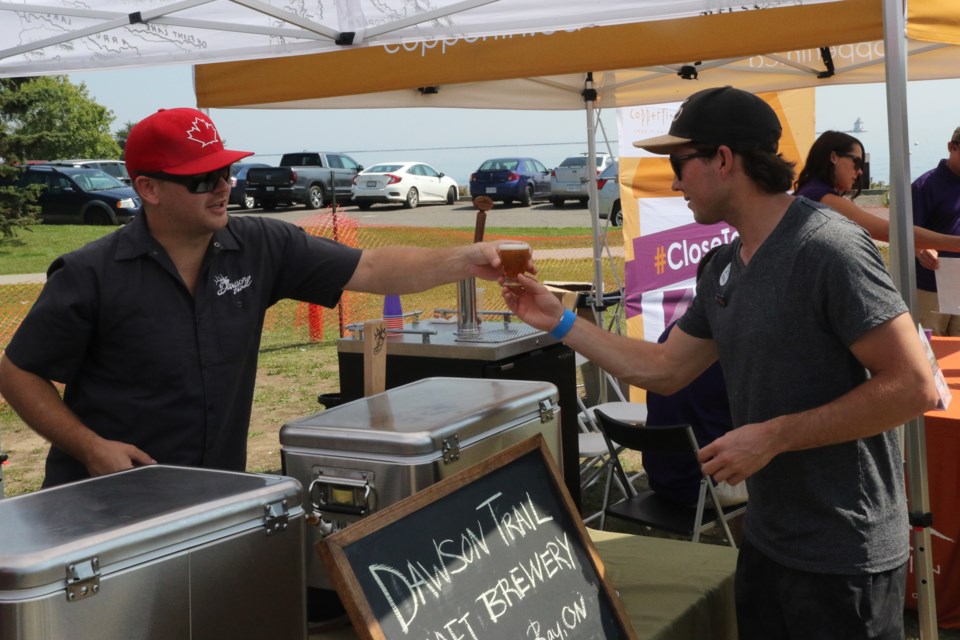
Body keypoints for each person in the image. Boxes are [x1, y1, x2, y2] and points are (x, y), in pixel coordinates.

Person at [502, 86, 937, 639]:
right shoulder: (724, 266)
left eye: (678, 163)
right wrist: (560, 321)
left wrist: (774, 436)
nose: (673, 180)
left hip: (843, 554)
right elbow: (664, 369)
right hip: (767, 542)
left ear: (725, 160)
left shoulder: (829, 249)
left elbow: (914, 386)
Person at [0, 107, 524, 488]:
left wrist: (467, 258)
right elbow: (18, 370)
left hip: (215, 493)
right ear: (148, 188)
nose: (223, 186)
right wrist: (91, 449)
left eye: (225, 170)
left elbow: (371, 266)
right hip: (106, 498)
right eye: (202, 178)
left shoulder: (259, 245)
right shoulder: (90, 272)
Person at [643, 248, 746, 509]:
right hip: (706, 486)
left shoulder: (672, 335)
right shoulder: (735, 345)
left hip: (663, 478)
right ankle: (746, 547)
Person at [794, 130, 960, 265]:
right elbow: (892, 232)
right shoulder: (822, 198)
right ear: (834, 157)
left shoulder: (809, 191)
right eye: (857, 163)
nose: (860, 171)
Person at [911, 127, 960, 336]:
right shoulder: (924, 186)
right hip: (931, 286)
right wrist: (921, 250)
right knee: (930, 353)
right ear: (951, 147)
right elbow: (906, 234)